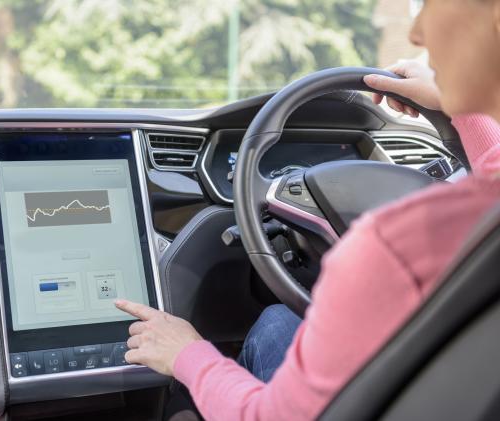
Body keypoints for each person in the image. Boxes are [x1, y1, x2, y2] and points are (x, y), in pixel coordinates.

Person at [115, 1, 500, 419]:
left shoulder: (391, 243)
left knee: (264, 334)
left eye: (432, 7)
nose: (417, 33)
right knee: (282, 318)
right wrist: (465, 104)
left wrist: (186, 354)